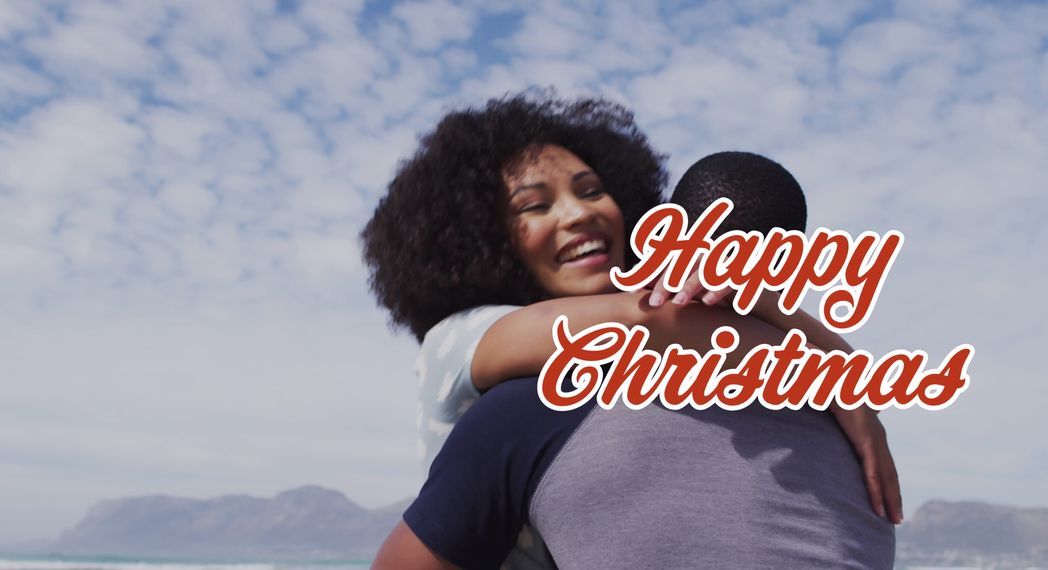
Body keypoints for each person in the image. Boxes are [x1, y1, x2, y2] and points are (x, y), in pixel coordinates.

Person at [361, 93, 899, 568]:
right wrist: (837, 375)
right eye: (535, 205)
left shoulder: (627, 375)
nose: (578, 214)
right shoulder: (460, 339)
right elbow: (650, 318)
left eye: (592, 191)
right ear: (481, 241)